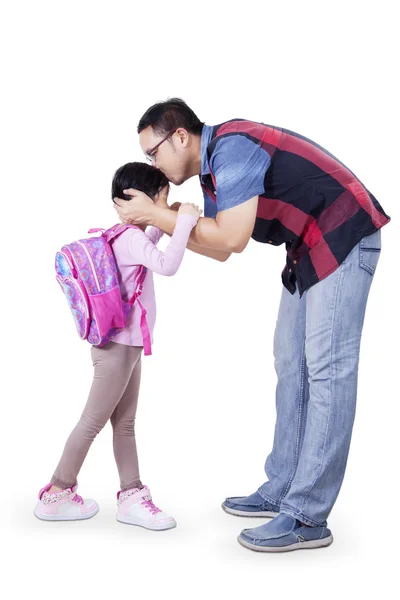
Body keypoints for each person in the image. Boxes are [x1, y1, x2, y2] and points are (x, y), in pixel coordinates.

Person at [114, 98, 391, 552]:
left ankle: (307, 516)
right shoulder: (212, 176)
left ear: (180, 136)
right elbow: (220, 247)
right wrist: (171, 223)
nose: (154, 164)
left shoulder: (232, 147)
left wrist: (157, 216)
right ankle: (282, 488)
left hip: (343, 233)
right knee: (291, 363)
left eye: (154, 152)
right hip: (307, 247)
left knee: (327, 369)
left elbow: (233, 238)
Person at [34, 162, 202, 531]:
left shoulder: (121, 234)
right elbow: (167, 265)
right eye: (161, 197)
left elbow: (143, 254)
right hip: (119, 348)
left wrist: (162, 224)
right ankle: (57, 493)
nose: (165, 203)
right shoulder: (132, 239)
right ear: (143, 198)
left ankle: (132, 495)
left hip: (124, 344)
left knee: (124, 424)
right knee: (94, 421)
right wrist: (185, 221)